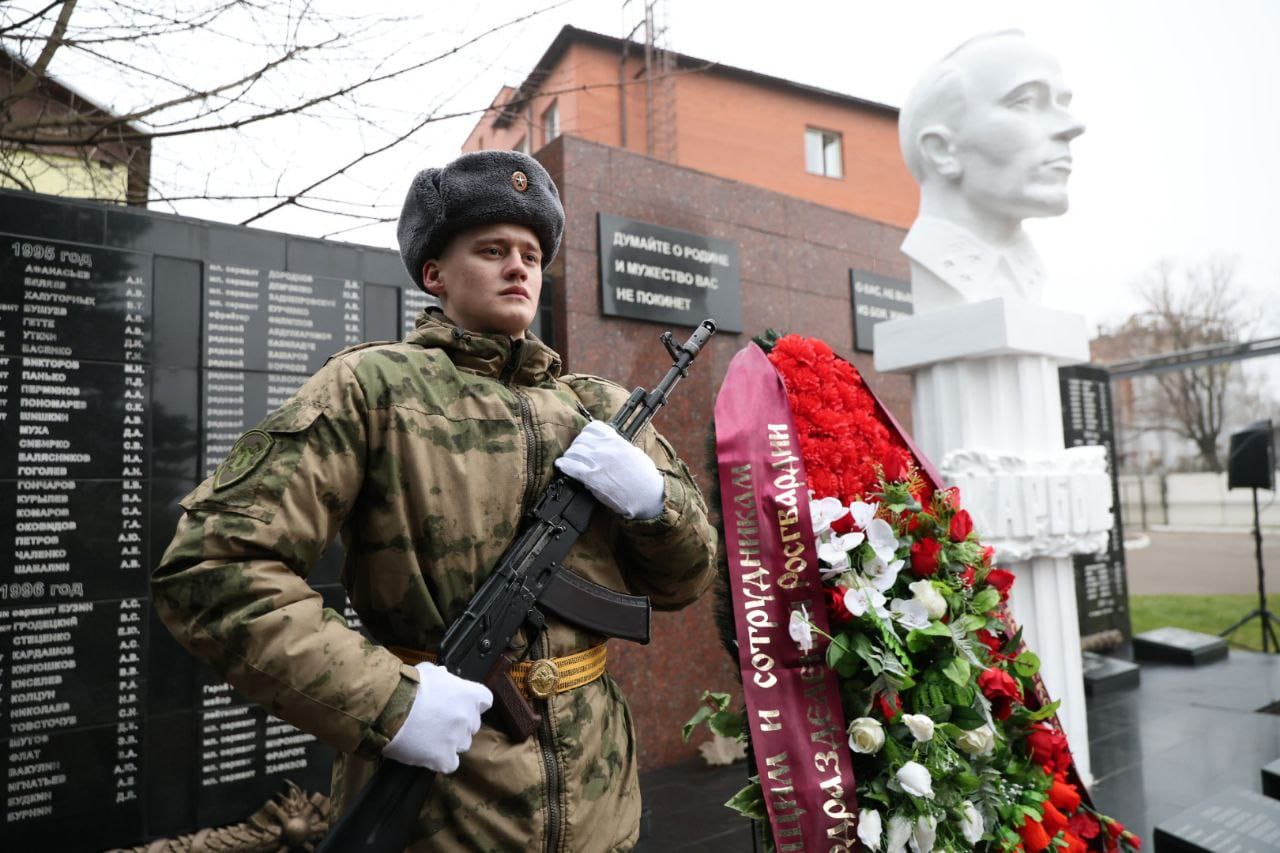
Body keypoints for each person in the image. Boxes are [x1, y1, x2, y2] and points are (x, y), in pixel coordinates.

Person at [152, 150, 718, 851]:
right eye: (492, 249)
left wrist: (653, 501)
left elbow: (687, 579)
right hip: (444, 808)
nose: (519, 267)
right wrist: (394, 702)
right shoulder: (373, 387)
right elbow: (212, 570)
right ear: (434, 274)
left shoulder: (597, 408)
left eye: (532, 254)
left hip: (601, 800)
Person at [898, 30, 1086, 309]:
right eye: (1026, 102)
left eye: (1062, 104)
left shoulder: (1030, 277)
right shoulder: (937, 269)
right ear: (941, 150)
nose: (1072, 126)